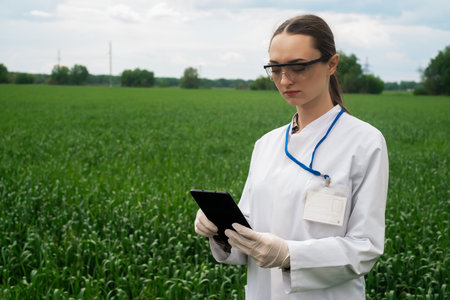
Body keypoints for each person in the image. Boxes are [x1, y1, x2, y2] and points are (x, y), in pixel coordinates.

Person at [194, 14, 389, 299]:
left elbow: (365, 247)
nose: (284, 80)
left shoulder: (364, 142)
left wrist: (290, 255)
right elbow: (248, 233)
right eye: (275, 69)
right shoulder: (267, 144)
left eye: (298, 67)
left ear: (331, 64)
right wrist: (220, 230)